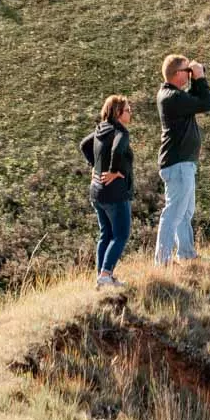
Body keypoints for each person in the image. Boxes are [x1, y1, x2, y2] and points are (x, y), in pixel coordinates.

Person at [155, 54, 210, 266]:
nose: (189, 75)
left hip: (182, 163)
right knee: (173, 213)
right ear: (177, 74)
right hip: (178, 164)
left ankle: (187, 253)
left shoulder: (173, 96)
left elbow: (196, 101)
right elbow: (206, 103)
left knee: (185, 212)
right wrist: (200, 78)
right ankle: (162, 262)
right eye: (186, 71)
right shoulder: (171, 97)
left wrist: (197, 79)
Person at [80, 95, 135, 289]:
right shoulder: (120, 131)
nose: (130, 113)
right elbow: (118, 147)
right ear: (118, 113)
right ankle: (105, 275)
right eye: (128, 110)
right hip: (115, 194)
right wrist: (113, 170)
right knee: (121, 235)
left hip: (97, 192)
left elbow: (84, 145)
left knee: (106, 234)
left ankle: (102, 277)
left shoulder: (100, 129)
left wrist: (95, 167)